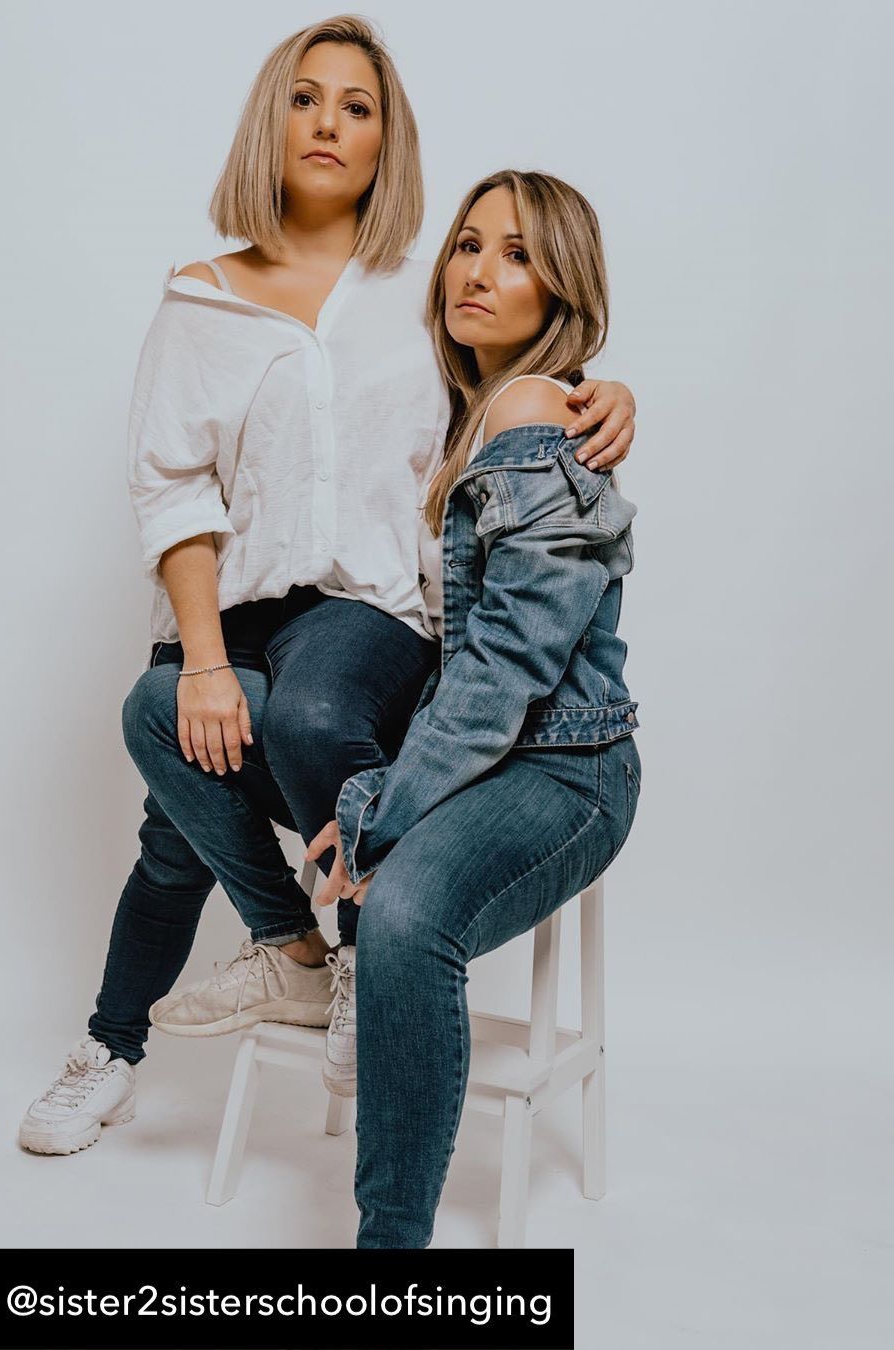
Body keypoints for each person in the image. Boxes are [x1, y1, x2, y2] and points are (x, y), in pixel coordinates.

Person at [18, 16, 635, 1156]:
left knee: (309, 713)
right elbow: (171, 490)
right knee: (170, 799)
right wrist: (204, 662)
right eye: (307, 98)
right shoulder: (200, 299)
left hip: (368, 613)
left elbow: (509, 386)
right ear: (272, 117)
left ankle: (351, 958)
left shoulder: (420, 291)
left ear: (386, 139)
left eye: (358, 107)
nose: (328, 124)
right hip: (227, 614)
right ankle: (173, 1018)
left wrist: (604, 389)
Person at [304, 169, 642, 1247]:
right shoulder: (470, 412)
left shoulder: (534, 412)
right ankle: (292, 952)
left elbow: (505, 668)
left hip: (567, 767)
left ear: (562, 290)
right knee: (198, 719)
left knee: (407, 916)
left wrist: (381, 815)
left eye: (517, 255)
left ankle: (389, 1251)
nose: (478, 272)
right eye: (468, 244)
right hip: (487, 749)